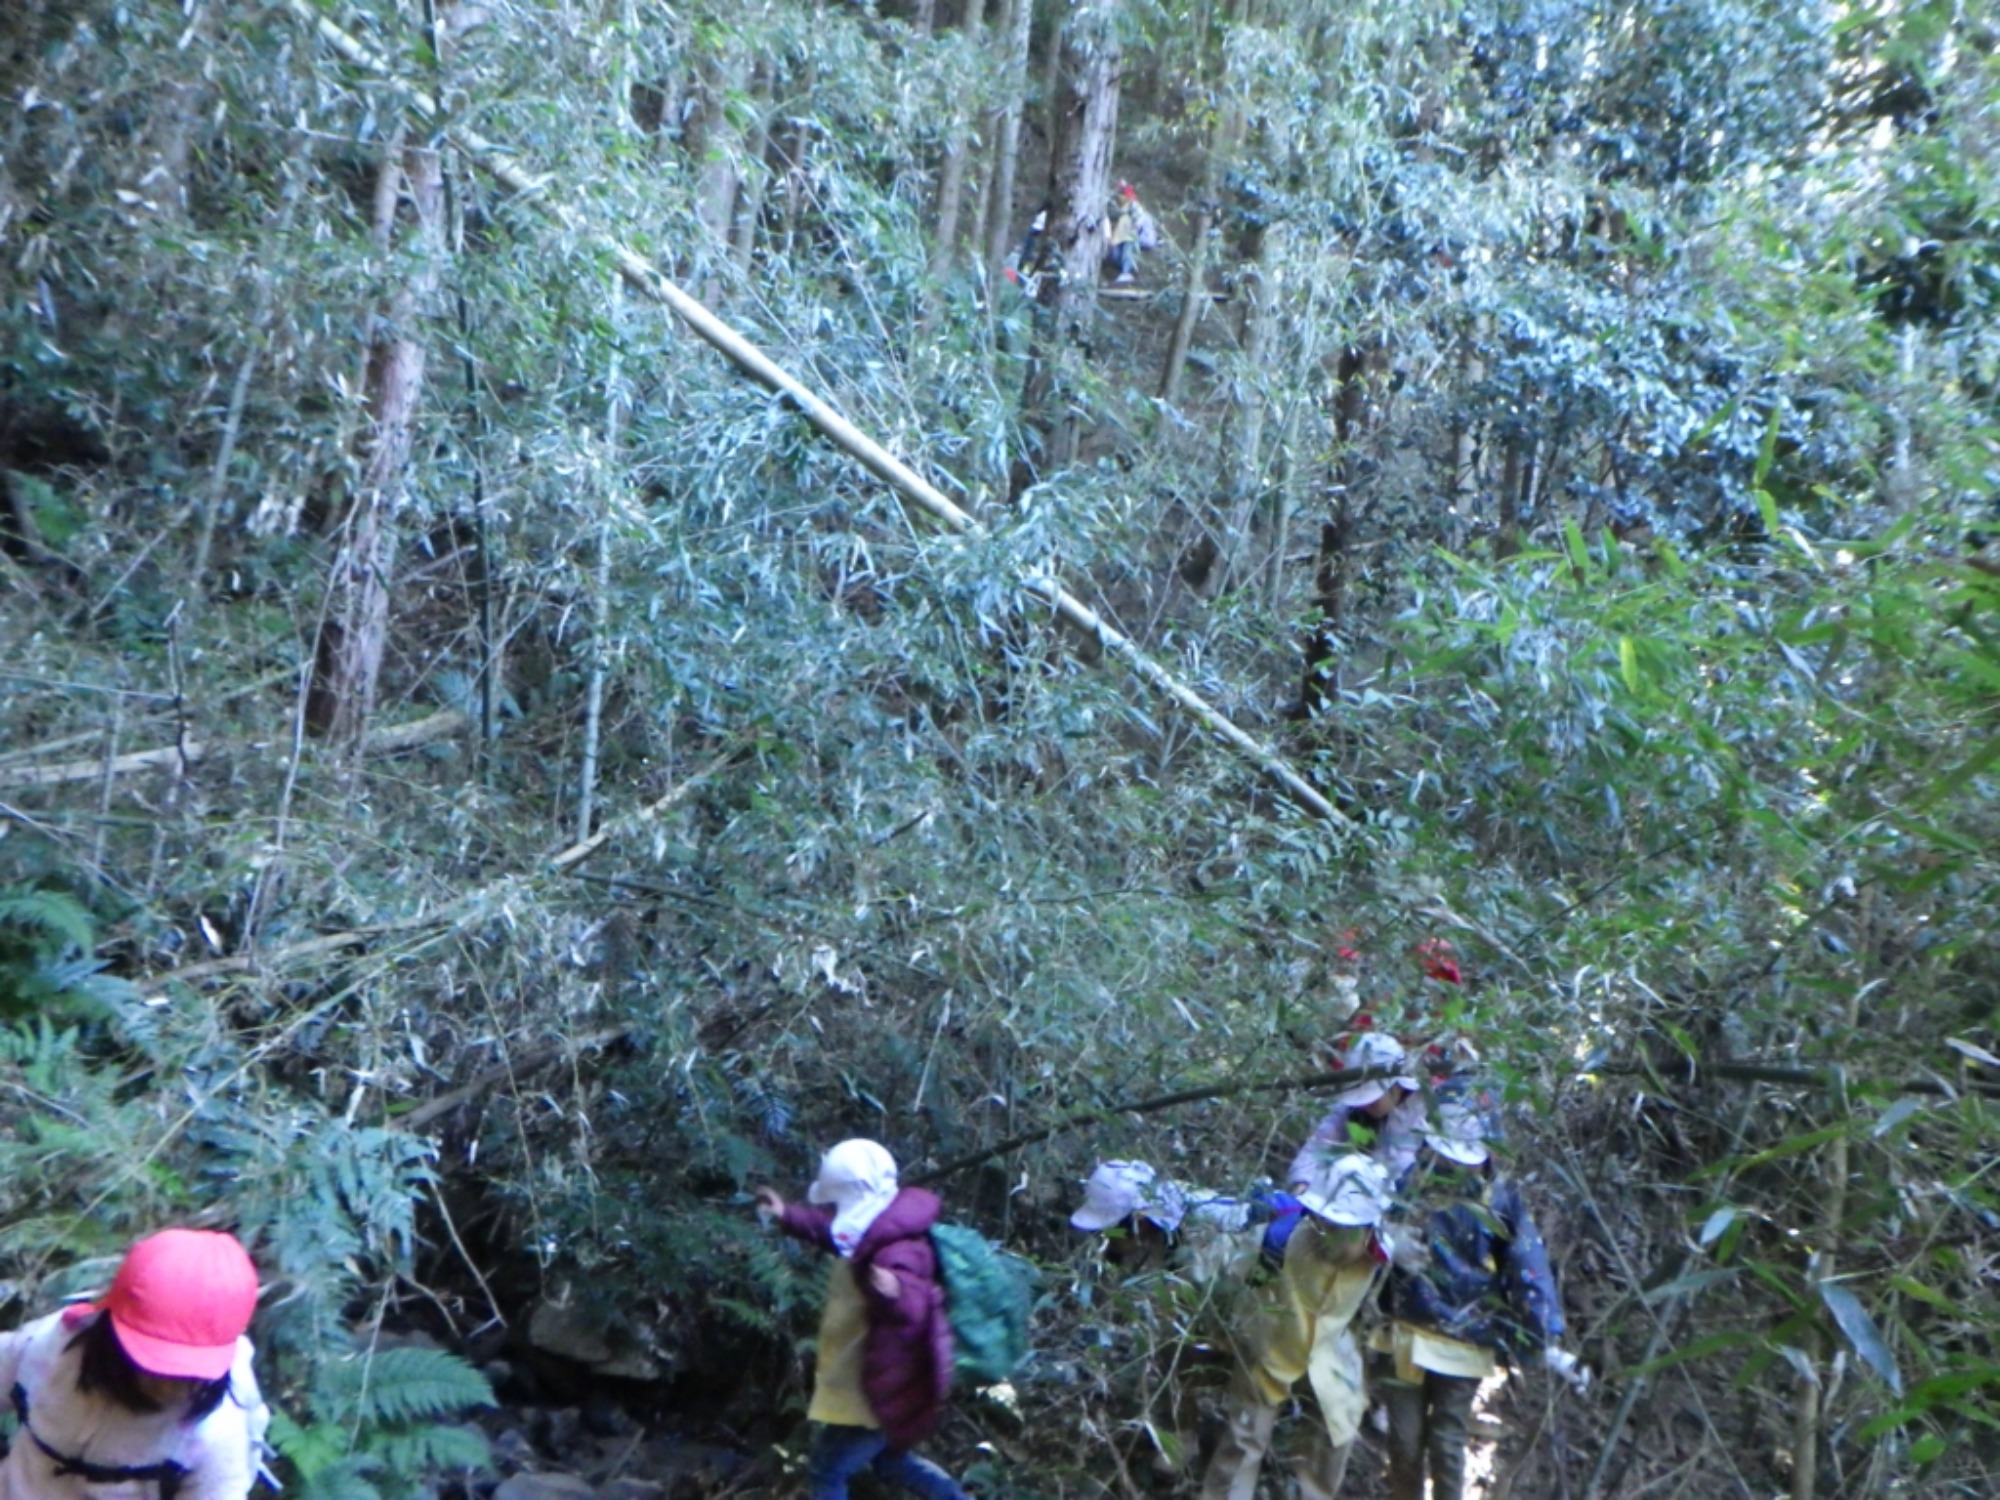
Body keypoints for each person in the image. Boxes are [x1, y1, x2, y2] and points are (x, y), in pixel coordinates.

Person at [1376, 1097, 1588, 1500]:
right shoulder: (1409, 1183)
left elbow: (1528, 1266)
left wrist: (1543, 1338)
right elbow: (1361, 1226)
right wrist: (1387, 1241)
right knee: (1403, 1440)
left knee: (1446, 1441)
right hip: (1405, 1327)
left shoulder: (1501, 1201)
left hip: (1468, 1335)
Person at [754, 1140, 965, 1500]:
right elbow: (836, 1234)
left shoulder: (898, 1246)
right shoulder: (878, 1229)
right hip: (876, 1381)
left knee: (827, 1468)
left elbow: (915, 1304)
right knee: (890, 1461)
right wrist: (787, 1215)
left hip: (882, 1388)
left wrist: (895, 1290)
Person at [0, 1229, 271, 1500]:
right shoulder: (52, 1349)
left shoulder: (214, 1434)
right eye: (154, 1364)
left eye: (188, 1373)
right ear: (111, 1333)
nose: (168, 1385)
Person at [1198, 1154, 1393, 1500]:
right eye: (1327, 1224)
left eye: (1346, 1229)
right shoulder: (1280, 1239)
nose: (1334, 1236)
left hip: (1330, 1353)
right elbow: (1235, 1279)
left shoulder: (1379, 1257)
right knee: (1243, 1443)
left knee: (1335, 1436)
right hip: (1271, 1344)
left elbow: (1373, 1311)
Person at [1287, 1031, 1428, 1189]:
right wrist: (1301, 1182)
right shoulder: (1351, 1111)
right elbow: (1321, 1141)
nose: (1364, 1105)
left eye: (1372, 1099)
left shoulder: (1425, 1111)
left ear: (1396, 1088)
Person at [1105, 182, 1158, 285]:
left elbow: (1136, 226)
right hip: (1128, 235)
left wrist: (1121, 235)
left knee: (1129, 241)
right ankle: (1124, 268)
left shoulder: (1137, 209)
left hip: (1144, 238)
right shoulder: (1121, 209)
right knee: (1114, 252)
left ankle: (1126, 272)